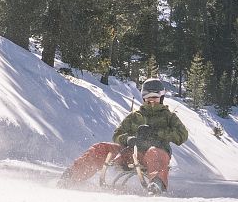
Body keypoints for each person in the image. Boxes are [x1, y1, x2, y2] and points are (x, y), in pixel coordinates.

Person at [58, 78, 189, 193]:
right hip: (132, 153)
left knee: (155, 153)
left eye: (155, 97)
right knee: (101, 147)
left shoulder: (168, 117)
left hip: (155, 154)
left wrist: (158, 135)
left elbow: (182, 134)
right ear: (143, 98)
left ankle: (156, 184)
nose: (151, 101)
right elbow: (117, 134)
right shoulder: (135, 116)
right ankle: (70, 177)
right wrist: (128, 139)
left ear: (161, 98)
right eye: (148, 98)